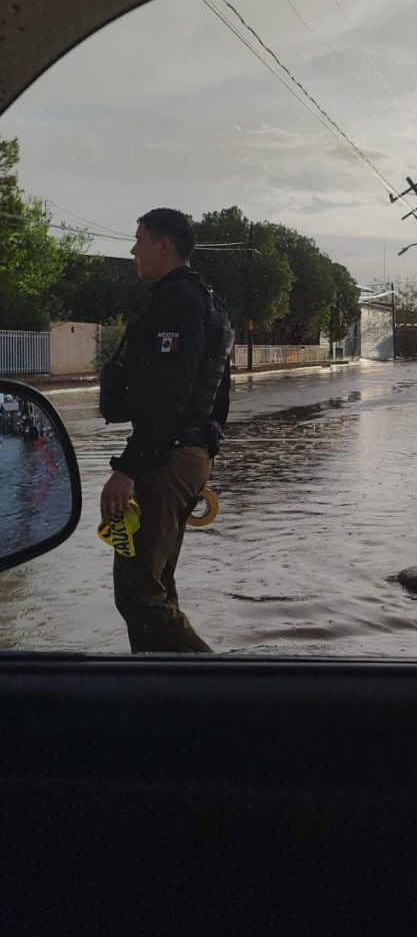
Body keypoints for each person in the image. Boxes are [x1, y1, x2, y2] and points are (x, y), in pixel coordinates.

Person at [99, 208, 233, 651]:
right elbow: (217, 395)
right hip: (187, 453)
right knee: (158, 588)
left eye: (139, 239)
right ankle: (167, 700)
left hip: (168, 457)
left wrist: (128, 468)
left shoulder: (177, 302)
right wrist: (207, 443)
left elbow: (169, 396)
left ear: (164, 245)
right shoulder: (208, 300)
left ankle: (227, 693)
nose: (133, 249)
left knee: (139, 594)